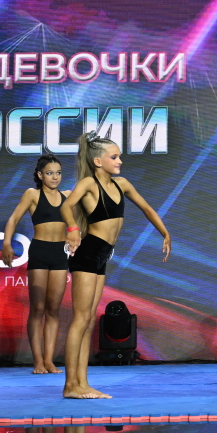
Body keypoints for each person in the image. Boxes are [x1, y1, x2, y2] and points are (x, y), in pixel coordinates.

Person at [60, 132, 171, 399]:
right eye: (114, 157)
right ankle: (70, 385)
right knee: (80, 319)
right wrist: (73, 229)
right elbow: (66, 206)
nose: (120, 161)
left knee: (88, 321)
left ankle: (82, 383)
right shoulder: (89, 183)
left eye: (119, 156)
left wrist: (165, 233)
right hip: (87, 253)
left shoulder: (122, 184)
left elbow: (146, 208)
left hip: (102, 255)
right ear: (98, 161)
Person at [1, 155, 71, 374]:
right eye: (49, 173)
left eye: (58, 173)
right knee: (38, 308)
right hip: (40, 252)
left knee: (53, 309)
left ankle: (49, 360)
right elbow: (13, 219)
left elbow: (80, 220)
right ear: (40, 175)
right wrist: (6, 243)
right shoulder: (32, 194)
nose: (55, 177)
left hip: (60, 254)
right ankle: (38, 361)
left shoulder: (68, 196)